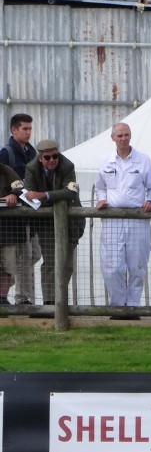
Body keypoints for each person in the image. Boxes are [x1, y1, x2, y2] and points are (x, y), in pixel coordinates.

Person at [94, 122, 151, 318]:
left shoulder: (143, 160)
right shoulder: (105, 160)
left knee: (137, 265)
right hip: (112, 218)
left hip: (137, 219)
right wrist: (101, 200)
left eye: (127, 135)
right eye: (119, 135)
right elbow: (101, 186)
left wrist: (150, 200)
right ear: (113, 138)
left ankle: (133, 308)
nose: (123, 138)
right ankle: (118, 307)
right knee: (112, 267)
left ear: (131, 136)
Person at [22, 140, 86, 306]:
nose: (52, 160)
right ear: (40, 158)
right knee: (51, 262)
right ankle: (50, 303)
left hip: (71, 222)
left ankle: (60, 300)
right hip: (46, 223)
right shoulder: (31, 167)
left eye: (55, 156)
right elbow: (28, 195)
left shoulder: (67, 166)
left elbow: (71, 192)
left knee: (66, 264)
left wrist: (43, 195)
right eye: (48, 157)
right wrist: (39, 196)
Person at [0, 113, 38, 305]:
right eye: (25, 129)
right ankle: (22, 299)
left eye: (30, 128)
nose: (29, 132)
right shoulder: (6, 153)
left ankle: (21, 296)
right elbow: (4, 180)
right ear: (14, 130)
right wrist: (12, 194)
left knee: (33, 255)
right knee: (15, 259)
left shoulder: (33, 153)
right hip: (12, 217)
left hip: (31, 212)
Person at [0, 161, 23, 307]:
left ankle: (2, 298)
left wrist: (13, 194)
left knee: (7, 267)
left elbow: (20, 185)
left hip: (7, 230)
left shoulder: (6, 170)